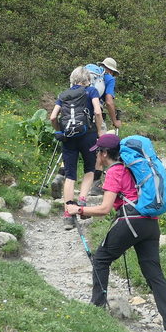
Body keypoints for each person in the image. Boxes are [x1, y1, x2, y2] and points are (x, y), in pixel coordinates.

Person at [69, 133, 166, 332]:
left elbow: (104, 209)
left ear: (105, 154)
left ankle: (96, 310)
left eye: (97, 152)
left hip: (131, 222)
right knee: (154, 274)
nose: (96, 156)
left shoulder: (115, 171)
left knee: (101, 259)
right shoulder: (131, 168)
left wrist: (78, 209)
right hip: (150, 223)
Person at [50, 66, 104, 230]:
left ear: (72, 80)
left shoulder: (63, 95)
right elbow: (97, 112)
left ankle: (68, 215)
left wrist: (59, 130)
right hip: (88, 136)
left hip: (68, 138)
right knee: (89, 169)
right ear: (87, 80)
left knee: (70, 174)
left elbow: (53, 117)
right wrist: (100, 132)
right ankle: (81, 202)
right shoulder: (91, 91)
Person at [100, 57, 122, 131]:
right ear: (110, 70)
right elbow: (109, 102)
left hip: (77, 108)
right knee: (103, 136)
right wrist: (115, 121)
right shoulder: (110, 79)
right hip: (95, 111)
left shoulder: (89, 75)